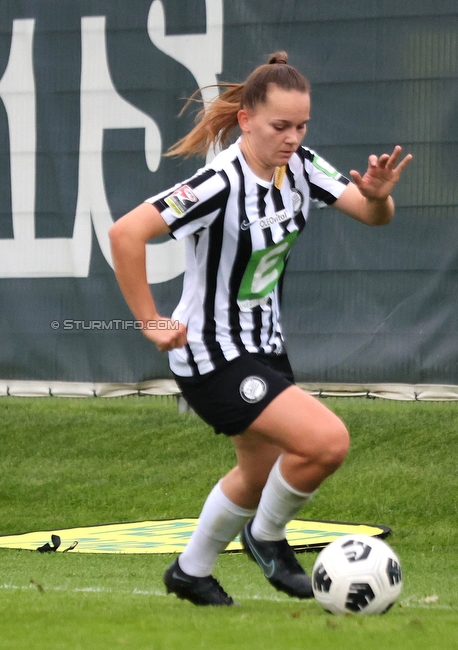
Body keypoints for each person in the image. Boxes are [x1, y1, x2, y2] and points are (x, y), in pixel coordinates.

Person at [109, 51, 412, 606]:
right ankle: (266, 536)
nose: (292, 138)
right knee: (326, 442)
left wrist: (378, 195)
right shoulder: (217, 184)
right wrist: (151, 322)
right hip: (211, 352)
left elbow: (372, 216)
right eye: (280, 126)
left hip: (263, 347)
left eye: (301, 126)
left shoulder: (300, 166)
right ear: (246, 120)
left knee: (260, 472)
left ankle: (190, 572)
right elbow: (125, 234)